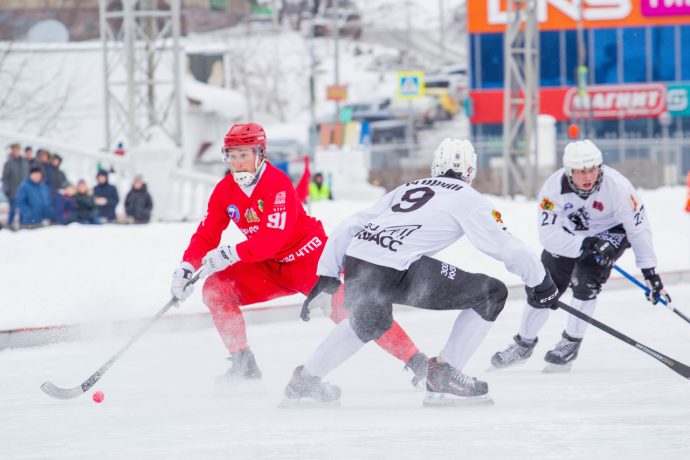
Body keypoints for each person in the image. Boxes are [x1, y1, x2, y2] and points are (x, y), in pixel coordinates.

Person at [282, 138, 559, 406]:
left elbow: (350, 224)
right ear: (470, 172)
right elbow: (507, 247)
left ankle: (304, 380)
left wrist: (328, 275)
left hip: (358, 262)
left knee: (368, 323)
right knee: (491, 293)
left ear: (435, 167)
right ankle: (444, 374)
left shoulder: (407, 187)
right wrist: (541, 281)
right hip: (396, 268)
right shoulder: (468, 197)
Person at [170, 122, 427, 386]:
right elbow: (206, 233)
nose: (237, 163)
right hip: (268, 266)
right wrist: (187, 267)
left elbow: (271, 239)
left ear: (260, 154)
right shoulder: (225, 190)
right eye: (231, 156)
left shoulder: (276, 183)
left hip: (310, 262)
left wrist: (230, 254)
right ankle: (243, 363)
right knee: (215, 289)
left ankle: (417, 361)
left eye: (243, 155)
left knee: (359, 315)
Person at [491, 139, 671, 373]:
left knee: (585, 281)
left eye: (592, 170)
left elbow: (638, 228)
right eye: (581, 172)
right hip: (571, 236)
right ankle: (523, 343)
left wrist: (650, 272)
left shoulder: (618, 187)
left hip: (611, 234)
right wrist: (584, 243)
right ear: (569, 172)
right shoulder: (552, 189)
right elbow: (548, 235)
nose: (588, 177)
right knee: (542, 286)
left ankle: (571, 342)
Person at [2, 143, 29, 229]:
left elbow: (27, 177)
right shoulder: (8, 163)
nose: (16, 151)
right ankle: (9, 227)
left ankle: (22, 226)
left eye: (17, 149)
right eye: (14, 150)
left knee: (23, 211)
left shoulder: (24, 162)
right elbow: (4, 178)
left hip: (24, 192)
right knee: (13, 211)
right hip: (12, 192)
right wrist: (6, 190)